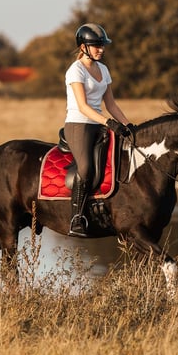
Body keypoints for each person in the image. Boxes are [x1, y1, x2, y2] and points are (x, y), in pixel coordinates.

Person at [64, 23, 134, 237]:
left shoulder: (103, 69)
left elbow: (111, 104)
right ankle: (77, 218)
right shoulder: (75, 70)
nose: (101, 49)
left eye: (102, 45)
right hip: (79, 124)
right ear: (83, 46)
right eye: (96, 46)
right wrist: (108, 123)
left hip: (100, 123)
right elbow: (83, 106)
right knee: (85, 168)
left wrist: (127, 124)